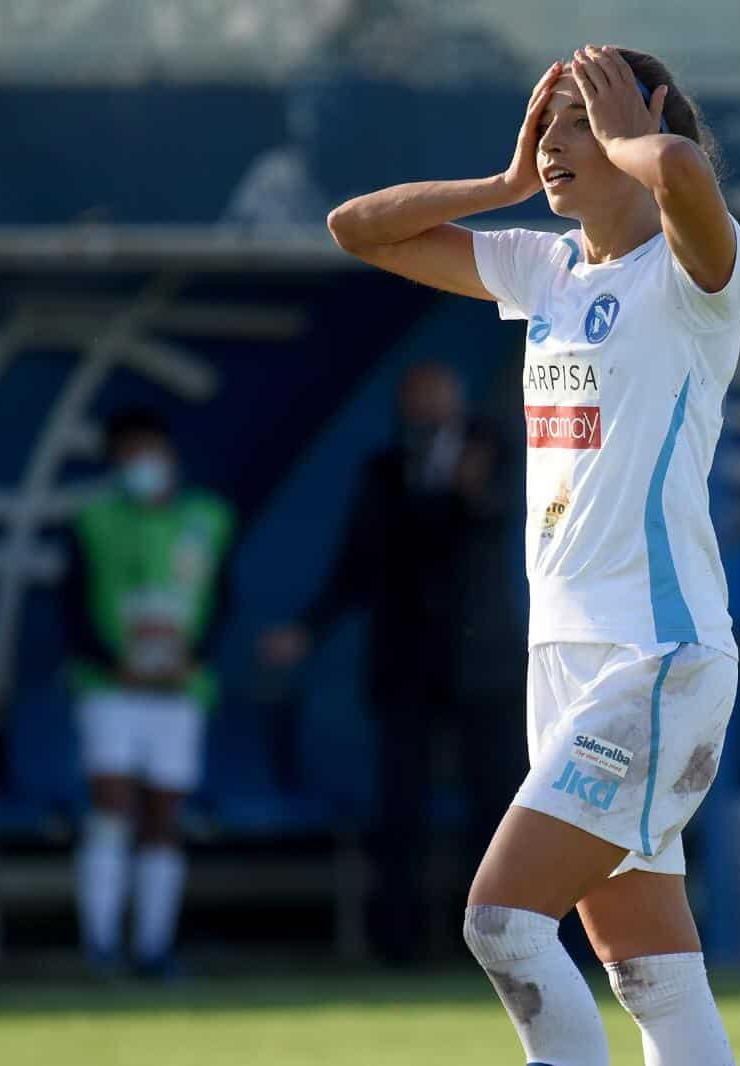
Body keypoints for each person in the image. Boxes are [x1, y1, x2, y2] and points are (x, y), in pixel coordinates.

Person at [321, 45, 740, 1064]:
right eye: (548, 125)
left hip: (655, 655)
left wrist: (644, 139)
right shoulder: (545, 268)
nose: (558, 145)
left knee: (503, 921)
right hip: (563, 660)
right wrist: (503, 183)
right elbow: (355, 230)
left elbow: (688, 181)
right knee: (653, 973)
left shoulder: (695, 276)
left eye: (578, 124)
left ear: (640, 128)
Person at [260, 361, 527, 965]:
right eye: (415, 403)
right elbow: (357, 563)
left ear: (456, 401)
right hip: (405, 663)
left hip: (483, 665)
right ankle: (398, 945)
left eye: (435, 400)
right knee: (400, 810)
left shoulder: (498, 450)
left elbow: (498, 515)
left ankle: (495, 942)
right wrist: (306, 629)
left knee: (496, 809)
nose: (426, 413)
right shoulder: (384, 470)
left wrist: (471, 485)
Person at [65, 408, 236, 977]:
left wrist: (195, 658)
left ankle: (154, 949)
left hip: (180, 692)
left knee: (163, 820)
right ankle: (100, 947)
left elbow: (225, 602)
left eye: (151, 451)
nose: (144, 464)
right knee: (112, 811)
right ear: (115, 462)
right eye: (130, 454)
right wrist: (113, 662)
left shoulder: (208, 518)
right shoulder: (91, 519)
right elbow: (70, 607)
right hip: (110, 690)